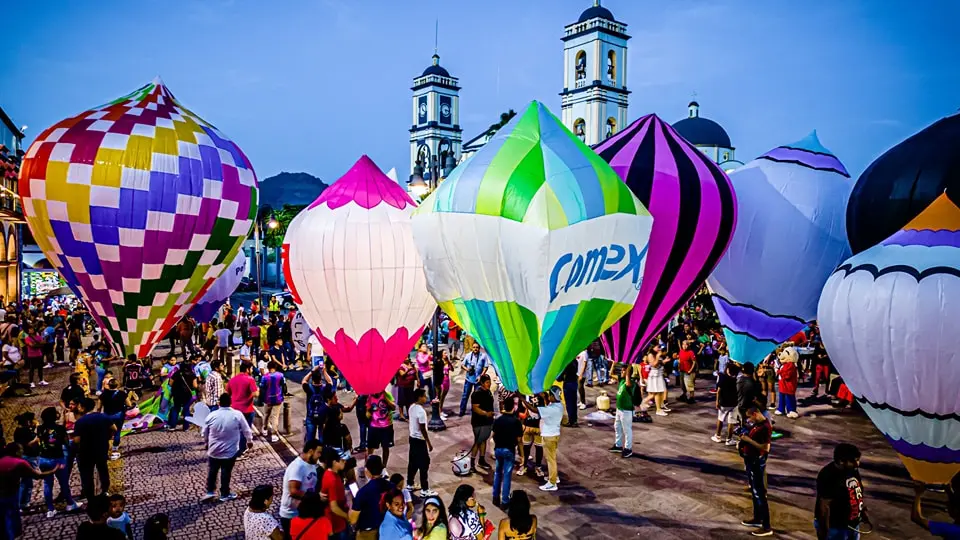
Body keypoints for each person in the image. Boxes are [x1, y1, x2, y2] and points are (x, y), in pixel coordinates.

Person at [201, 393, 253, 502]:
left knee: (213, 471)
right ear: (231, 402)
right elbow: (246, 430)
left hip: (214, 450)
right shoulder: (237, 415)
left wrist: (207, 443)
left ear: (219, 403)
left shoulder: (212, 415)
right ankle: (224, 494)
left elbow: (204, 432)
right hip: (230, 451)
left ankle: (210, 491)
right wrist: (249, 441)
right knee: (226, 472)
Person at [1, 442, 59, 538]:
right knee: (12, 517)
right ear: (16, 452)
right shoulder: (20, 463)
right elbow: (37, 476)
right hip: (10, 493)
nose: (22, 451)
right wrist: (53, 470)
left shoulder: (2, 460)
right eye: (21, 449)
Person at [815, 443, 870, 540]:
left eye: (857, 460)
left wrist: (862, 510)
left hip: (853, 525)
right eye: (854, 461)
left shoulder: (852, 469)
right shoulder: (828, 476)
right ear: (841, 461)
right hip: (836, 528)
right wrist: (824, 532)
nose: (857, 464)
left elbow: (857, 490)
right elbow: (824, 506)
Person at [36, 407, 81, 517]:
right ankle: (70, 503)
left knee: (47, 484)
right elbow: (65, 442)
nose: (58, 413)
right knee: (63, 482)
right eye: (56, 412)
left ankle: (50, 509)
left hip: (43, 459)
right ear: (53, 416)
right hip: (57, 459)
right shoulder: (60, 428)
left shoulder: (40, 428)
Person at [738, 407, 773, 537]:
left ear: (755, 414)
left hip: (757, 463)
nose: (749, 420)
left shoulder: (765, 427)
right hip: (751, 461)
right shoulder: (758, 424)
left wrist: (748, 440)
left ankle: (766, 526)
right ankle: (757, 519)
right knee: (754, 491)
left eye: (750, 417)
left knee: (760, 494)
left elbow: (766, 448)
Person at [73, 397, 117, 500]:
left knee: (87, 474)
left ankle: (90, 496)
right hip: (101, 449)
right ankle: (105, 490)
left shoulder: (80, 422)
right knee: (103, 470)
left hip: (85, 452)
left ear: (82, 408)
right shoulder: (103, 417)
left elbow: (76, 440)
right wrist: (108, 436)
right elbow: (114, 428)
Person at [280, 440, 323, 534]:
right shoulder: (297, 467)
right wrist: (316, 496)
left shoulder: (311, 463)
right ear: (311, 451)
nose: (320, 455)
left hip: (303, 513)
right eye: (318, 452)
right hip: (291, 516)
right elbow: (293, 491)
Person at [525, 388, 563, 492]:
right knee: (552, 458)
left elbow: (534, 410)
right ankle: (554, 477)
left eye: (549, 395)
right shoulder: (558, 406)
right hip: (554, 434)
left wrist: (521, 398)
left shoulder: (551, 409)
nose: (548, 396)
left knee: (551, 460)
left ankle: (552, 483)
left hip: (549, 436)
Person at [350, 455, 392, 539]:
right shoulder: (392, 487)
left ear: (367, 471)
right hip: (388, 529)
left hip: (368, 533)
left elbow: (353, 519)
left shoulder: (363, 493)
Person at [492, 398, 523, 507]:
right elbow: (519, 440)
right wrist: (522, 455)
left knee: (497, 472)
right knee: (507, 475)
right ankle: (505, 501)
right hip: (509, 450)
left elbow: (493, 435)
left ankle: (495, 497)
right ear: (513, 407)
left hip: (498, 449)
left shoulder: (498, 420)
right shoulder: (516, 421)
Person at [912, 472, 960, 539]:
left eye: (948, 506)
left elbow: (916, 517)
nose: (946, 507)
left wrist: (918, 494)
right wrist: (948, 490)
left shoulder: (952, 530)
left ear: (956, 511)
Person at [407, 388, 436, 497]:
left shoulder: (411, 407)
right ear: (419, 397)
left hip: (412, 438)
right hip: (419, 440)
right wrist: (428, 442)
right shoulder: (421, 412)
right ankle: (425, 489)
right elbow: (423, 429)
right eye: (424, 396)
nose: (426, 398)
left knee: (413, 463)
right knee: (424, 464)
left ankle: (410, 483)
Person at [227, 362, 260, 454]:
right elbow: (255, 394)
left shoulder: (232, 380)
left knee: (236, 429)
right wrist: (258, 390)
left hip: (234, 409)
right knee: (245, 430)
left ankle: (235, 448)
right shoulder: (250, 379)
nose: (252, 370)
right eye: (251, 368)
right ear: (247, 369)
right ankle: (241, 450)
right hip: (247, 410)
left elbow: (227, 394)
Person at [321, 447, 351, 540]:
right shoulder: (333, 480)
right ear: (334, 462)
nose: (345, 462)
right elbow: (334, 507)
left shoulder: (330, 473)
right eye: (342, 460)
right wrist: (348, 518)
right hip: (337, 523)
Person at [13, 411, 41, 511]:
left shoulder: (19, 430)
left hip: (26, 456)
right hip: (29, 457)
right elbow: (28, 444)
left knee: (27, 482)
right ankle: (22, 504)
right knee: (26, 482)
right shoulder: (24, 431)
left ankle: (24, 503)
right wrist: (37, 439)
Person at [301, 366, 333, 445]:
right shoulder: (325, 388)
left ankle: (310, 453)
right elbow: (330, 382)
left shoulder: (309, 388)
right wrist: (324, 371)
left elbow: (304, 381)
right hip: (322, 416)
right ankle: (321, 453)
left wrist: (312, 371)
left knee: (310, 439)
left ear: (313, 379)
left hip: (311, 416)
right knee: (322, 437)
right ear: (321, 379)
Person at [470, 374, 495, 472]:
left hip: (487, 421)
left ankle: (481, 460)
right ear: (482, 383)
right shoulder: (477, 393)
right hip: (478, 422)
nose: (489, 384)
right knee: (478, 441)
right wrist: (486, 413)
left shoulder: (488, 392)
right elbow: (475, 408)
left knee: (484, 440)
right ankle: (472, 463)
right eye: (487, 382)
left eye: (490, 382)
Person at [367, 389, 397, 468]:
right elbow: (368, 409)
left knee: (385, 447)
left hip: (386, 427)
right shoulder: (370, 396)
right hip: (374, 426)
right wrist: (368, 413)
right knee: (370, 448)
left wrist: (385, 398)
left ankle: (384, 466)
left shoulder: (387, 394)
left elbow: (394, 407)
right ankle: (368, 466)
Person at [712, 363, 740, 446]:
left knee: (720, 419)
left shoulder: (723, 378)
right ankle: (729, 439)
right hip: (734, 403)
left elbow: (719, 391)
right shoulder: (737, 380)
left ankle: (718, 436)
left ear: (728, 370)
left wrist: (717, 401)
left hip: (724, 403)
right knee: (731, 422)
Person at [99, 378, 127, 460]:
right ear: (117, 385)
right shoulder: (122, 394)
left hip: (107, 416)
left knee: (107, 432)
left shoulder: (103, 395)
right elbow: (128, 403)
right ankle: (115, 448)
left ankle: (106, 448)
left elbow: (99, 407)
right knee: (117, 431)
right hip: (118, 415)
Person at [167, 356, 197, 431]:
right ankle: (186, 427)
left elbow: (170, 384)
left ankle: (172, 426)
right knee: (186, 410)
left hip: (176, 394)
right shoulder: (192, 374)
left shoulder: (176, 373)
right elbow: (195, 386)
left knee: (176, 409)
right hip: (187, 394)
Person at [459, 343, 489, 417]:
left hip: (478, 380)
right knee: (465, 395)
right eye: (474, 347)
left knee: (477, 397)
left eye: (477, 347)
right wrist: (467, 369)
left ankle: (475, 411)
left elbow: (486, 366)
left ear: (479, 348)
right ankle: (462, 410)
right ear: (472, 348)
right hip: (469, 379)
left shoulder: (483, 356)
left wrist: (481, 375)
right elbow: (462, 365)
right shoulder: (468, 355)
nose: (475, 349)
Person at [259, 361, 285, 443]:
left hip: (267, 399)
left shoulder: (264, 377)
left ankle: (265, 429)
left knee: (266, 414)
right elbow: (283, 384)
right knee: (275, 416)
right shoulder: (280, 375)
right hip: (278, 398)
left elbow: (262, 387)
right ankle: (274, 434)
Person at [775, 348, 800, 418]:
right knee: (782, 398)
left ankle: (791, 410)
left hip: (788, 386)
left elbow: (787, 376)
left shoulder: (790, 365)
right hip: (783, 385)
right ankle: (781, 409)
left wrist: (778, 371)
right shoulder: (785, 364)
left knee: (789, 398)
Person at [560, 360, 580, 427]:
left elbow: (560, 377)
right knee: (574, 402)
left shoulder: (566, 363)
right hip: (574, 382)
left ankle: (571, 421)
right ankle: (574, 420)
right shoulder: (575, 361)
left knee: (569, 403)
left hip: (568, 384)